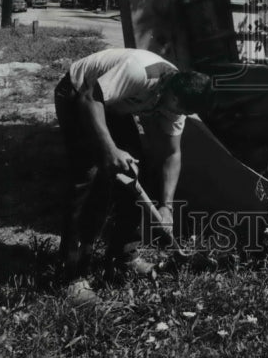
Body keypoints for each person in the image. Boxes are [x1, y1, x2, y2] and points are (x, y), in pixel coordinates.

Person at [53, 47, 213, 299]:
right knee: (91, 177)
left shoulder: (177, 101)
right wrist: (109, 149)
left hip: (113, 105)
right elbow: (89, 98)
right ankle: (72, 275)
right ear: (171, 93)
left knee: (138, 172)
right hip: (78, 93)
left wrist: (166, 207)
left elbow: (172, 155)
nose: (177, 115)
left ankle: (123, 256)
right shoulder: (139, 72)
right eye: (178, 108)